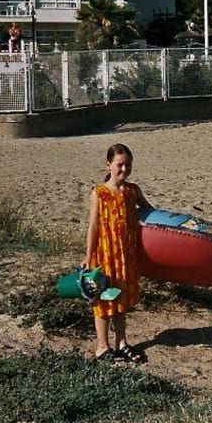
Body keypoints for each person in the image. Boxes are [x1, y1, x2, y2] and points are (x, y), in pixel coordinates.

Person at [82, 143, 152, 363]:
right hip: (104, 255)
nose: (124, 170)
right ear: (109, 165)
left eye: (128, 165)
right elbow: (93, 227)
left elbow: (150, 212)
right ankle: (102, 347)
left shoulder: (133, 191)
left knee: (120, 300)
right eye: (120, 165)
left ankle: (121, 343)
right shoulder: (99, 193)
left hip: (125, 256)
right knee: (102, 301)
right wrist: (88, 256)